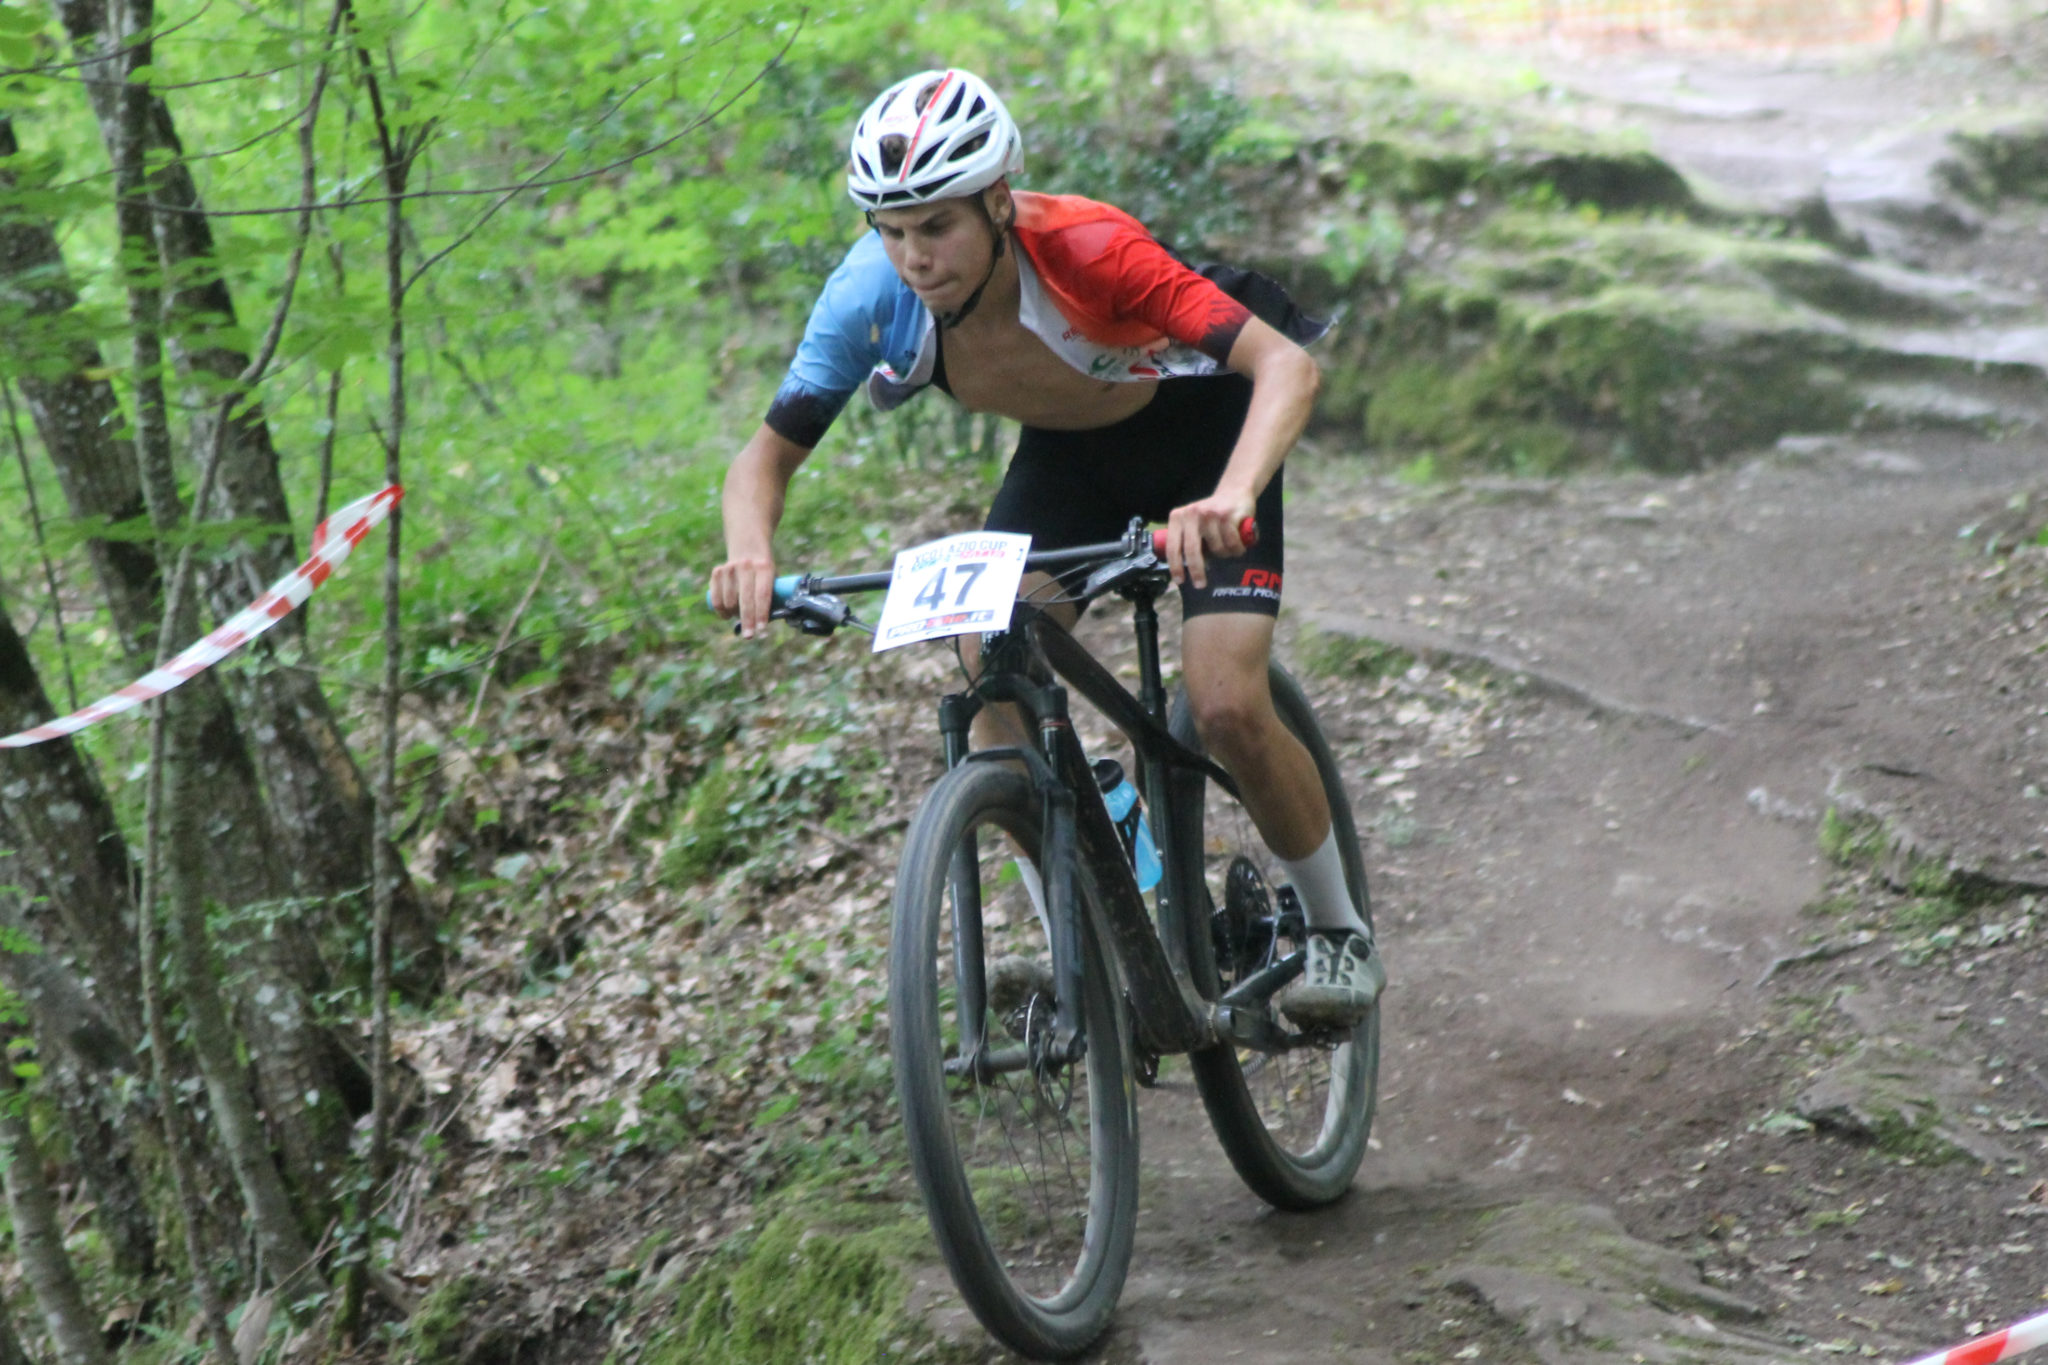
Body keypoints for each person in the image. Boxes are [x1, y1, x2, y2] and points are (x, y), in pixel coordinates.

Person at [709, 68, 1383, 1027]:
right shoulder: (870, 295)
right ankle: (1089, 939)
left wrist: (1232, 493)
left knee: (1226, 700)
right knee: (989, 661)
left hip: (1204, 437)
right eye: (890, 230)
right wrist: (749, 553)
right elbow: (761, 462)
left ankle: (1336, 930)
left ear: (997, 201)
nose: (914, 257)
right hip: (1070, 460)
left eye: (935, 226)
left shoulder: (1089, 249)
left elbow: (1286, 366)